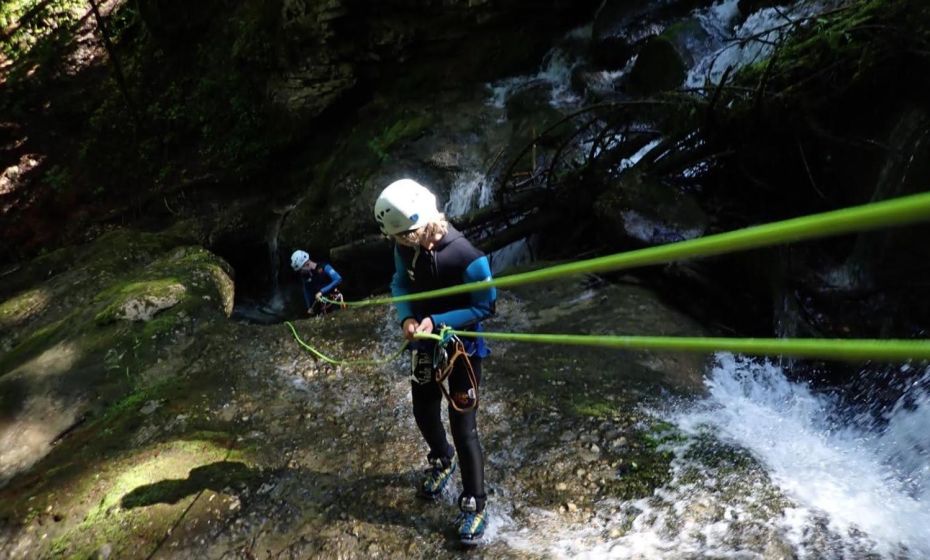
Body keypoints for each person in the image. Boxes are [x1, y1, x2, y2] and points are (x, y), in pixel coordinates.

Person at [373, 178, 496, 545]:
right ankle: (442, 460)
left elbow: (485, 305)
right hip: (424, 345)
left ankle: (475, 502)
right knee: (423, 411)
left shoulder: (468, 257)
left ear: (419, 226)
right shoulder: (404, 248)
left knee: (464, 427)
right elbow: (400, 284)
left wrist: (440, 322)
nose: (398, 243)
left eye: (403, 237)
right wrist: (406, 317)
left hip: (463, 350)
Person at [289, 250, 344, 316]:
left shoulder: (324, 267)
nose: (301, 272)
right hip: (322, 302)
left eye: (301, 269)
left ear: (307, 264)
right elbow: (307, 291)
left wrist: (322, 291)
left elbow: (338, 279)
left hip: (334, 299)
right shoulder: (305, 276)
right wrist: (310, 307)